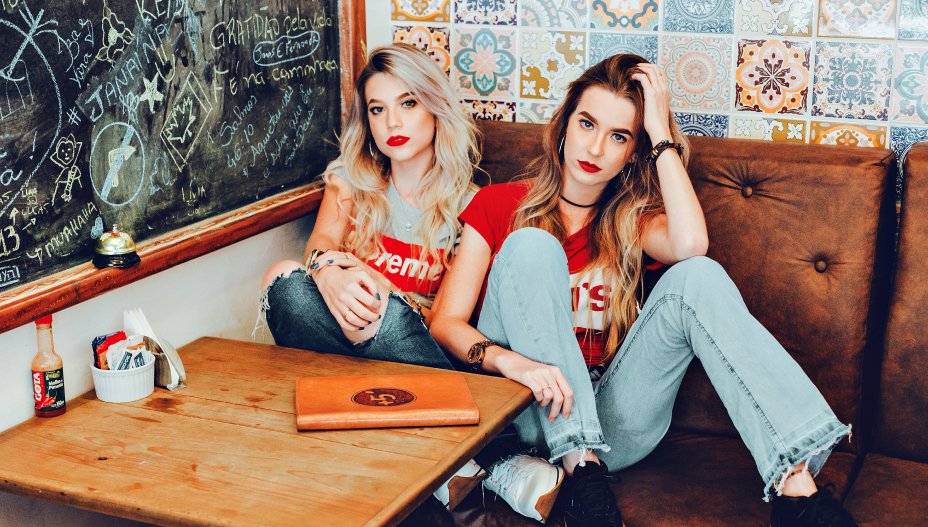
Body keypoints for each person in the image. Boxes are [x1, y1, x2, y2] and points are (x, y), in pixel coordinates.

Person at [430, 53, 857, 527]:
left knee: (698, 275)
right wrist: (510, 362)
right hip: (524, 411)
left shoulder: (632, 220)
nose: (595, 148)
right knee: (532, 244)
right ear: (564, 125)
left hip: (612, 423)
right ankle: (579, 468)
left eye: (619, 136)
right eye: (587, 124)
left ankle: (796, 492)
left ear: (634, 151)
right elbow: (445, 323)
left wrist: (659, 131)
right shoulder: (499, 204)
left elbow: (691, 245)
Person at [259, 44, 484, 511]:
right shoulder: (350, 179)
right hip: (348, 348)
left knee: (381, 312)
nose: (392, 123)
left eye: (408, 103)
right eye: (377, 109)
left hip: (418, 355)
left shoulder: (472, 204)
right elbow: (320, 244)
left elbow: (445, 321)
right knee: (282, 279)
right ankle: (421, 447)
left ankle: (427, 445)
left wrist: (383, 292)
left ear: (435, 107)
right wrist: (326, 273)